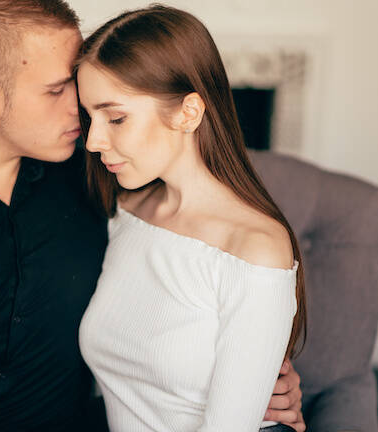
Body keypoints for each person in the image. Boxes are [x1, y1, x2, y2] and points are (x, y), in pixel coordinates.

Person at [0, 1, 304, 431]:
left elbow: (193, 279)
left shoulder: (102, 175)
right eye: (56, 90)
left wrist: (255, 378)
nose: (81, 113)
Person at [76, 5, 307, 432]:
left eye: (116, 118)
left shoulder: (255, 249)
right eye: (89, 117)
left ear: (188, 112)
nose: (92, 141)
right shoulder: (126, 212)